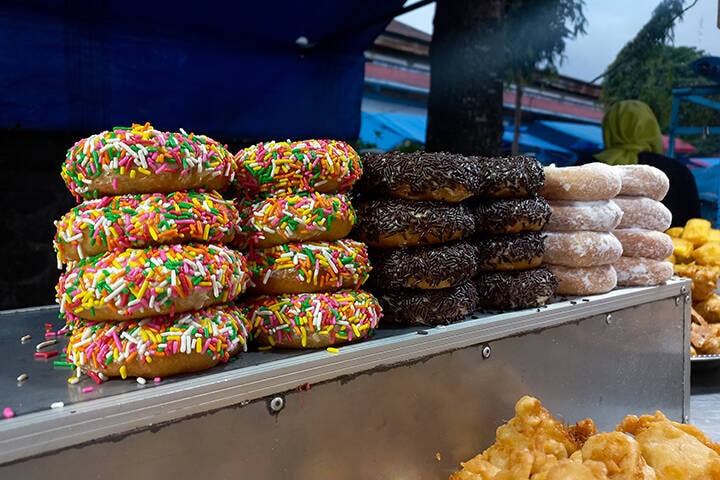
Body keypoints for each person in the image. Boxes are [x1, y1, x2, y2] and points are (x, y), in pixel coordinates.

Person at [577, 99, 701, 228]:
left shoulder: (585, 167)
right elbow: (694, 226)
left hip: (596, 247)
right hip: (668, 247)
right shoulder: (677, 171)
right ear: (652, 128)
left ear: (609, 128)